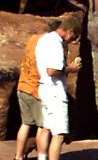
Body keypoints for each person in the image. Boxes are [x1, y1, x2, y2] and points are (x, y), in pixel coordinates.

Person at [35, 15, 83, 160]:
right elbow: (52, 70)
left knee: (46, 129)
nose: (73, 40)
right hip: (54, 90)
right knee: (59, 134)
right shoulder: (56, 43)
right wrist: (71, 69)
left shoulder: (44, 39)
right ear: (70, 31)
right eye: (74, 36)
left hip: (44, 87)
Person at [14, 23, 54, 160]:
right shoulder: (48, 46)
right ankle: (41, 157)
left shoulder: (32, 39)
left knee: (25, 124)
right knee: (42, 127)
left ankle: (18, 157)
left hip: (22, 86)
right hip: (37, 90)